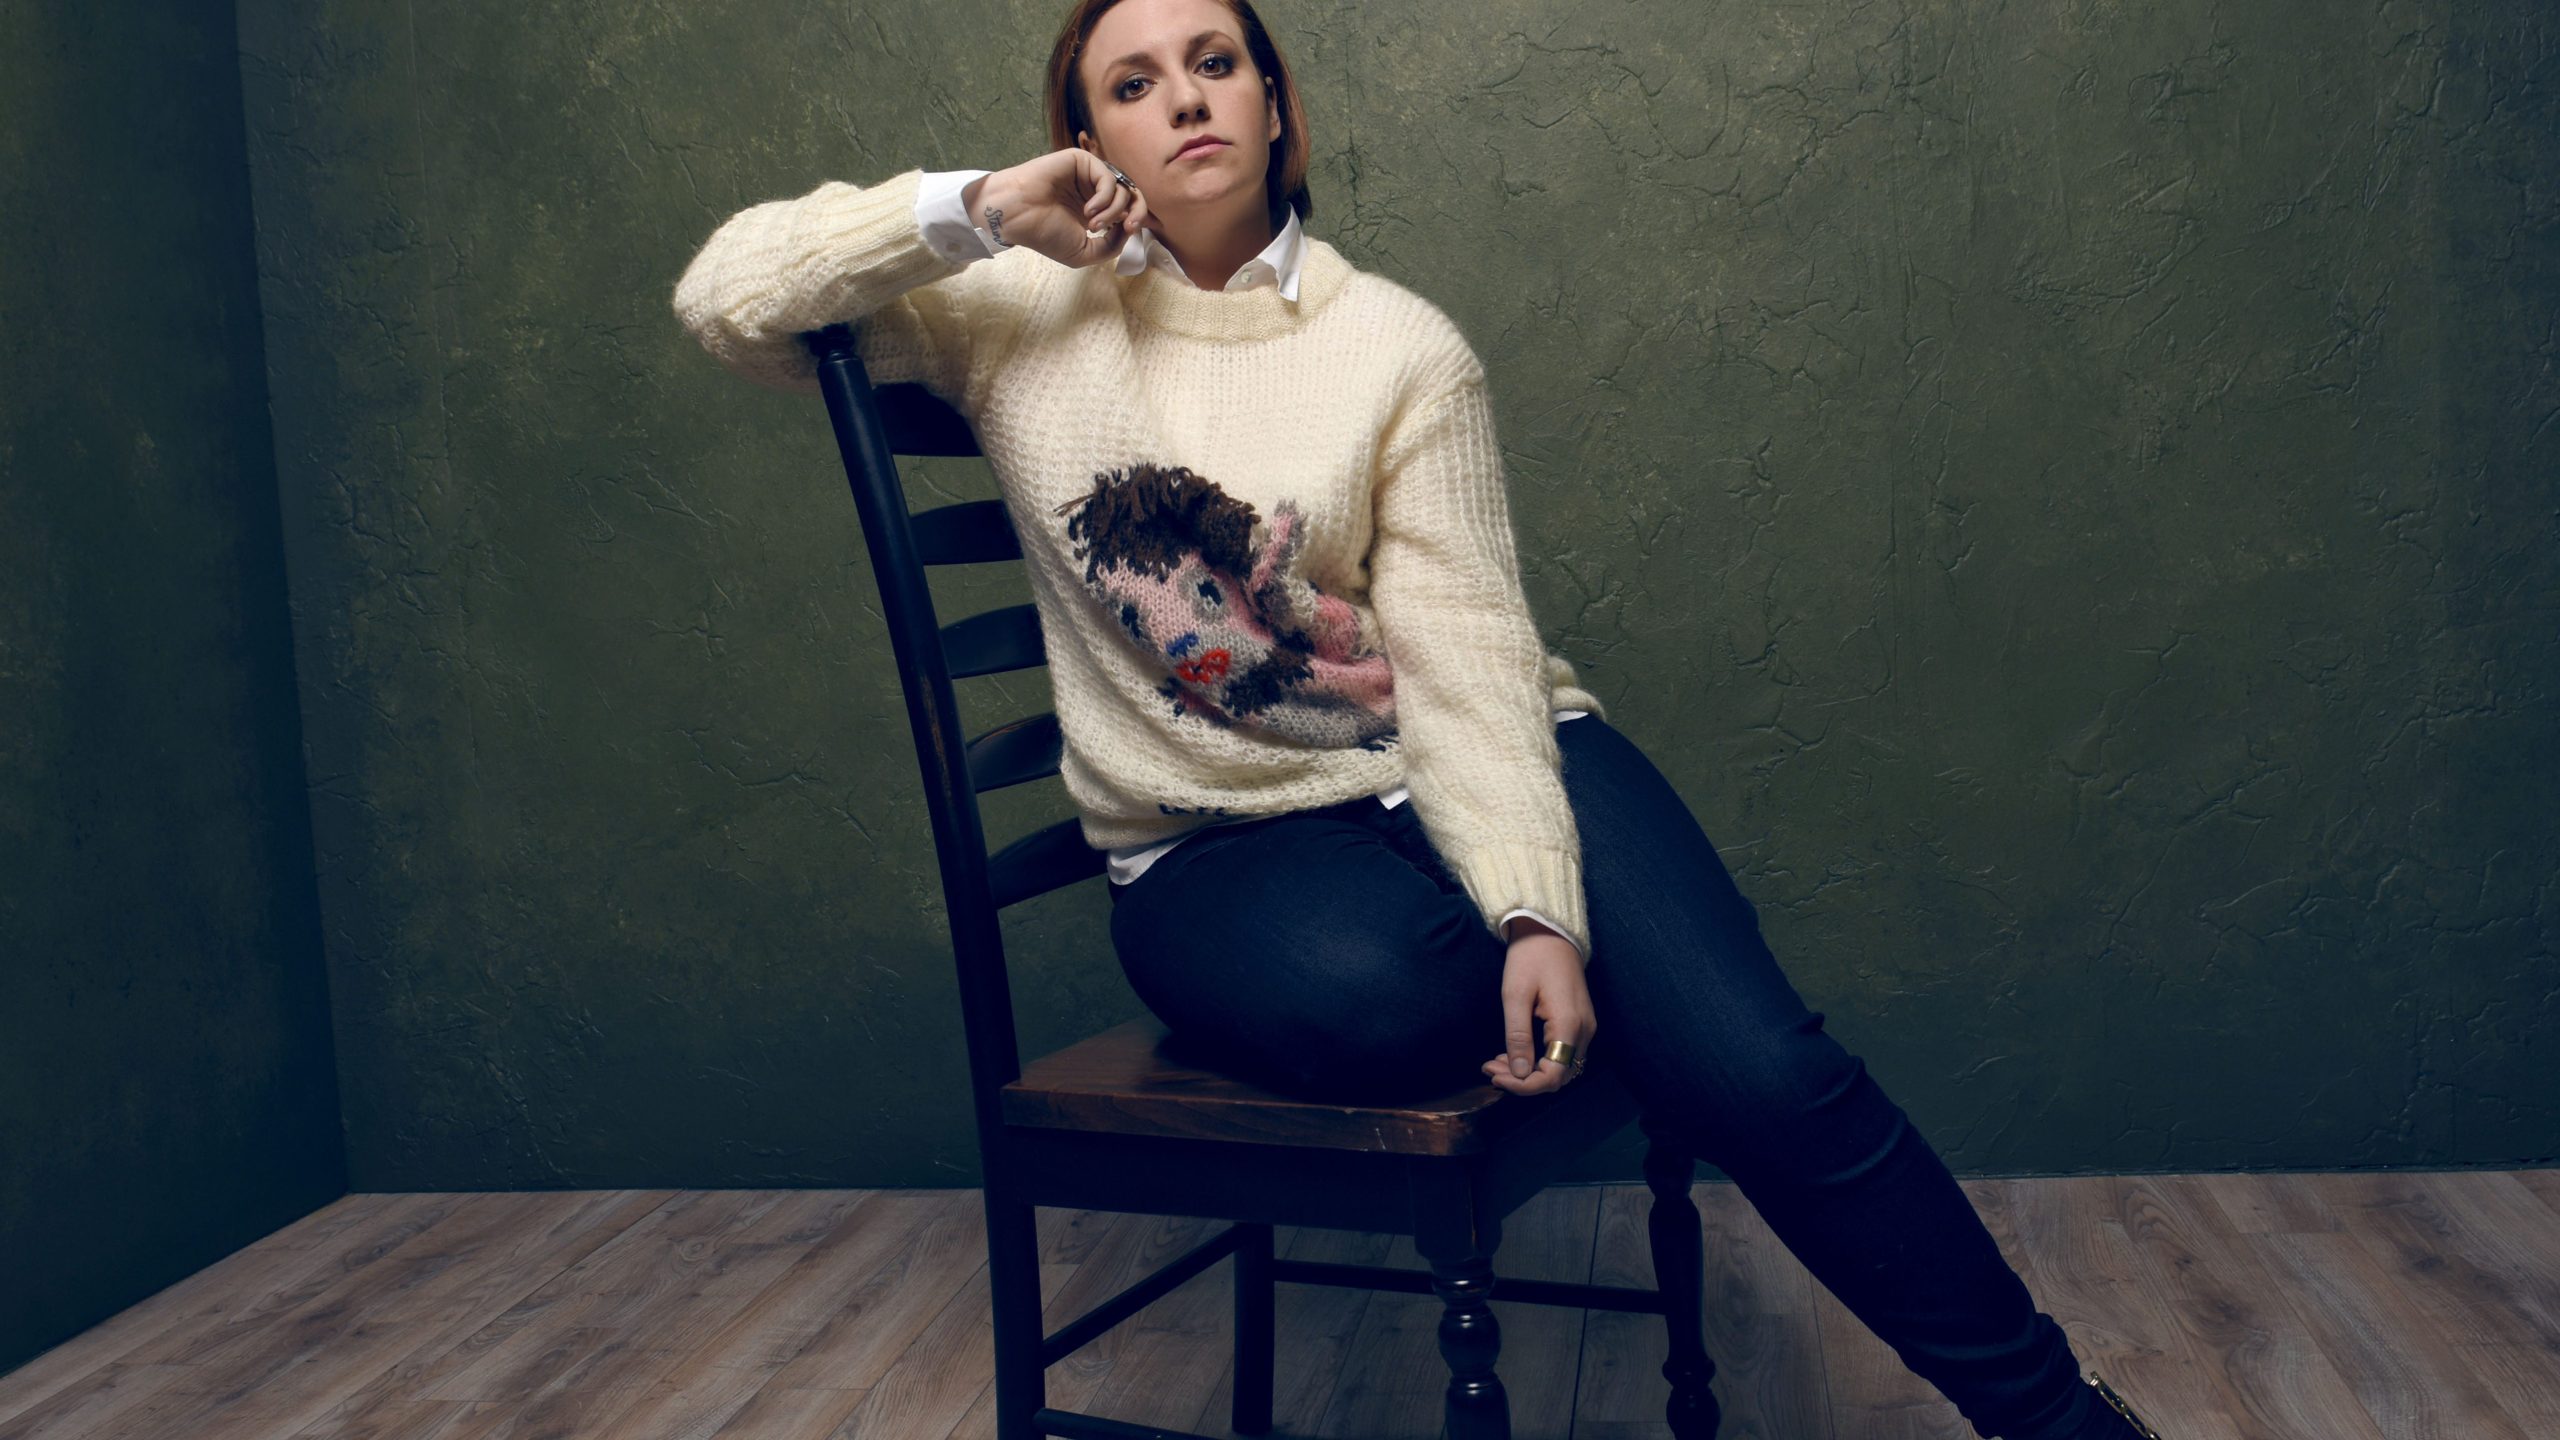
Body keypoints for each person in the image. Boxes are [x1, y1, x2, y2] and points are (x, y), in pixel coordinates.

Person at [671, 2, 2165, 1435]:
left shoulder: (1400, 347)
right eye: (1132, 82)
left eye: (1215, 61)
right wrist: (985, 204)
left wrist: (1535, 909)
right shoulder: (1006, 308)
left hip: (1465, 749)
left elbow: (1464, 656)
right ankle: (1601, 988)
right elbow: (729, 294)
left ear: (1274, 103)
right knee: (1391, 1001)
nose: (1183, 96)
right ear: (1087, 135)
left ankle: (2052, 1418)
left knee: (1761, 1069)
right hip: (1209, 845)